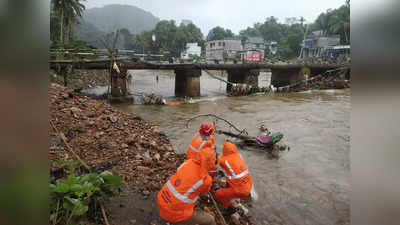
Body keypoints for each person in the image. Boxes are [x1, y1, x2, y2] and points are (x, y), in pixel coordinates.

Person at [157, 153, 217, 225]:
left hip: (161, 199)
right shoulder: (206, 179)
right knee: (210, 220)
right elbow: (205, 191)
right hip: (172, 213)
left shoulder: (189, 162)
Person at [215, 141, 253, 208]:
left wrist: (217, 154)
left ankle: (229, 207)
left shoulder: (224, 160)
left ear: (225, 150)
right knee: (230, 180)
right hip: (249, 185)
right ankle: (238, 198)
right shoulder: (239, 156)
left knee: (217, 194)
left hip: (241, 190)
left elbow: (219, 160)